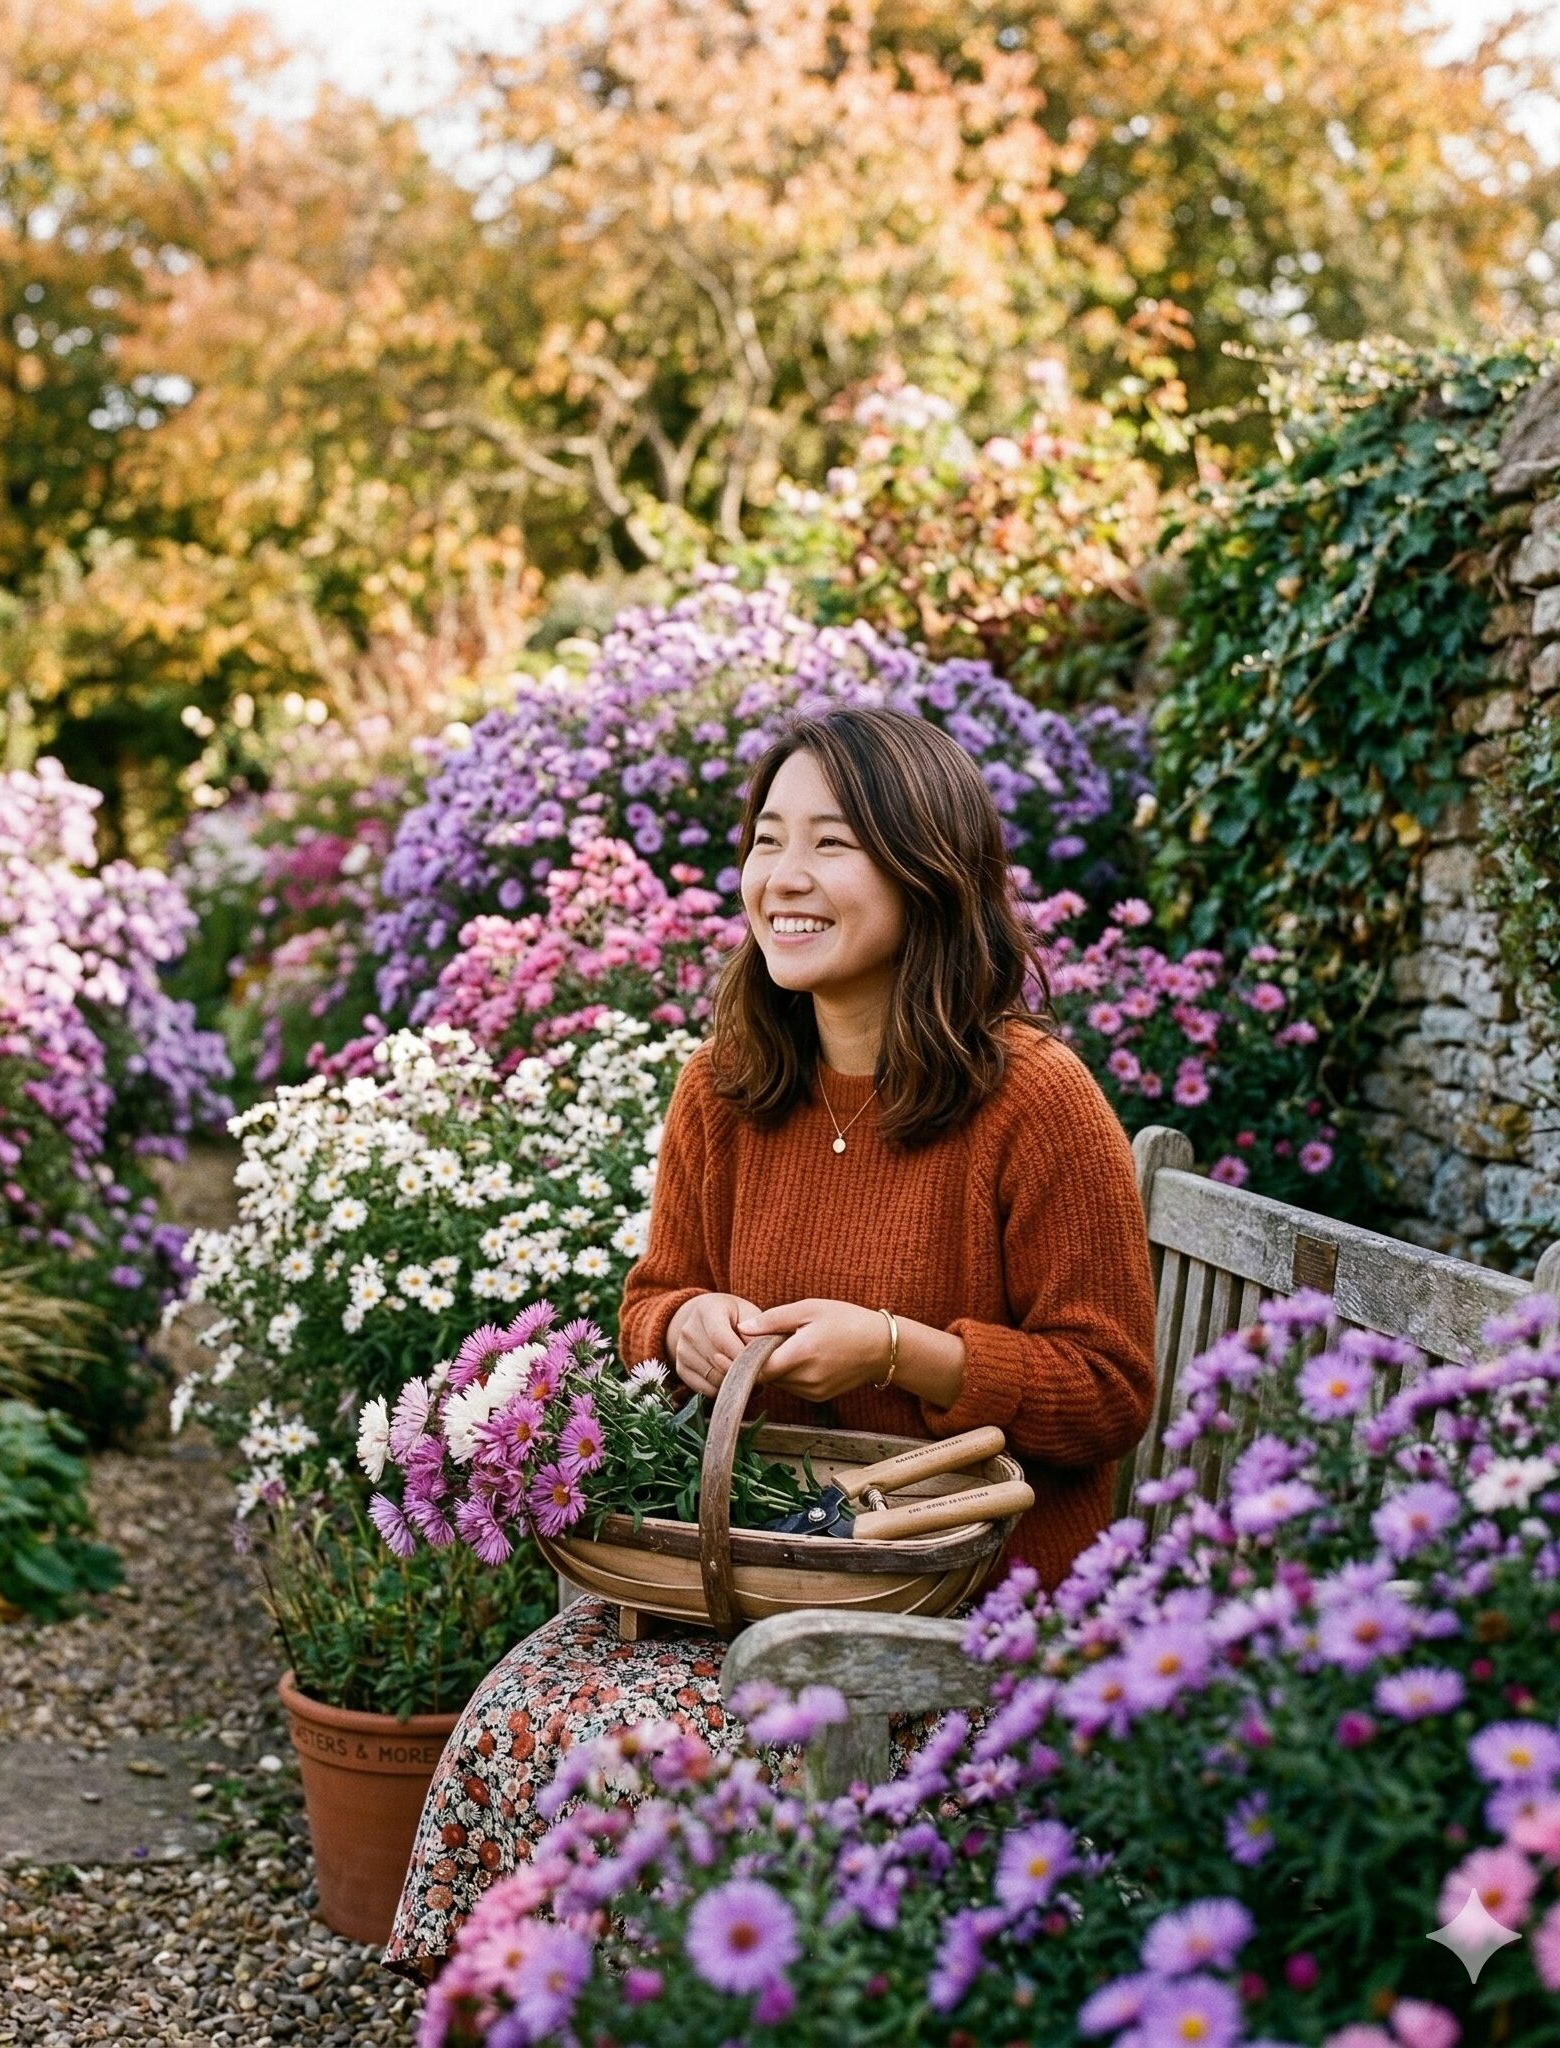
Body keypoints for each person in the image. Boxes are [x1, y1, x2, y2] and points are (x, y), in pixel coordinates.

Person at [384, 705, 1156, 1970]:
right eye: (764, 839)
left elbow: (1108, 1388)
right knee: (525, 1703)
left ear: (927, 870)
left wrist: (899, 1349)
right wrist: (682, 1321)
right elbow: (650, 1296)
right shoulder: (730, 1084)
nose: (781, 878)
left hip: (963, 1623)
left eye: (831, 843)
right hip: (751, 1579)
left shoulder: (1032, 1099)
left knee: (615, 1740)